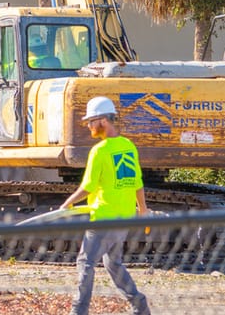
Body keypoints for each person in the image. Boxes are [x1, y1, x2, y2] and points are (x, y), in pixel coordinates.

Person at [60, 96, 150, 315]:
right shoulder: (128, 146)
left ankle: (79, 311)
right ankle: (140, 305)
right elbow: (137, 182)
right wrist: (142, 210)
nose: (89, 126)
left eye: (91, 121)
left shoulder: (99, 151)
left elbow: (88, 187)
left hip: (103, 218)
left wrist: (66, 204)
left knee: (86, 262)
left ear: (103, 121)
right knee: (113, 263)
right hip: (124, 218)